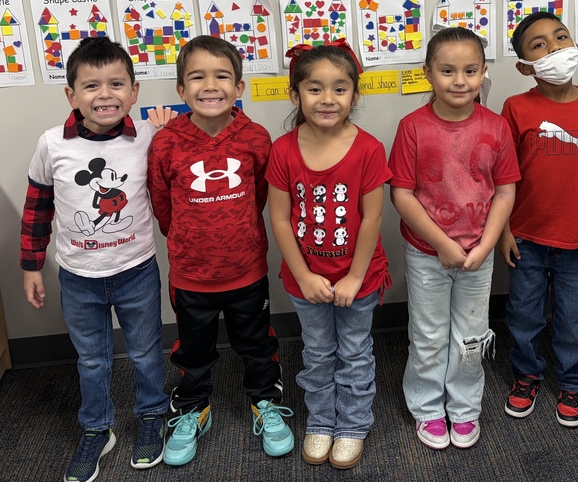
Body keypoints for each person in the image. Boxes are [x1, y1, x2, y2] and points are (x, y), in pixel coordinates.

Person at [20, 36, 169, 482]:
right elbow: (36, 208)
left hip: (136, 269)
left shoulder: (147, 135)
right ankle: (96, 428)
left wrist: (168, 134)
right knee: (91, 359)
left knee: (145, 351)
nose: (105, 95)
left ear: (135, 91)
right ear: (71, 95)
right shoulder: (51, 144)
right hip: (79, 276)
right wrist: (31, 264)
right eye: (91, 86)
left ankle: (150, 416)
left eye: (117, 84)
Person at [147, 35, 294, 466]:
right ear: (180, 90)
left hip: (246, 270)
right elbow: (161, 203)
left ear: (240, 87)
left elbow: (264, 195)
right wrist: (191, 241)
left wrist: (236, 234)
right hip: (191, 274)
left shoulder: (256, 137)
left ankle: (265, 402)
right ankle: (193, 408)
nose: (210, 86)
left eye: (222, 76)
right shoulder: (166, 142)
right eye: (197, 77)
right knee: (193, 349)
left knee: (257, 343)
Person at [388, 28, 519, 451]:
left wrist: (485, 244)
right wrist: (443, 243)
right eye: (447, 71)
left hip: (478, 255)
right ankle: (428, 408)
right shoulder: (412, 127)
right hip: (428, 252)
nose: (459, 81)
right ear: (428, 73)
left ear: (483, 73)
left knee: (470, 334)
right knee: (427, 335)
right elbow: (402, 194)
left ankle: (464, 408)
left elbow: (505, 191)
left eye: (470, 70)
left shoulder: (496, 127)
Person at [266, 41, 391, 470]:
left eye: (340, 89)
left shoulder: (369, 149)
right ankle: (321, 420)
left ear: (355, 96)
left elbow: (372, 218)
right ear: (295, 93)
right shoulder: (283, 150)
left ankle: (353, 424)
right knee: (318, 352)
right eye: (315, 88)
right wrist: (303, 276)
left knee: (355, 352)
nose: (327, 99)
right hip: (307, 280)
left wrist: (355, 278)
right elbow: (280, 219)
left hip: (359, 278)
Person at [499, 12, 578, 428]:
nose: (555, 49)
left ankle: (572, 381)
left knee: (573, 316)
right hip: (527, 236)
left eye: (560, 37)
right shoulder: (515, 107)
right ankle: (527, 373)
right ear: (524, 66)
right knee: (524, 314)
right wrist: (506, 230)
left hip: (576, 236)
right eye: (540, 45)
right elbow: (505, 176)